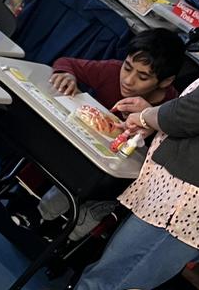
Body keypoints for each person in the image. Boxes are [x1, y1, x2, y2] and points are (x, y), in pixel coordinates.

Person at [0, 18, 199, 290]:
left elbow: (191, 114)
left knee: (110, 286)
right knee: (106, 279)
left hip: (184, 210)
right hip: (176, 203)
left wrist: (148, 116)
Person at [10, 29, 185, 237]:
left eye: (142, 77)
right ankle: (31, 204)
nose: (128, 80)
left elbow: (167, 152)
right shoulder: (111, 71)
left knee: (91, 185)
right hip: (77, 151)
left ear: (165, 81)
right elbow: (68, 63)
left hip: (114, 175)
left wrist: (150, 118)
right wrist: (65, 74)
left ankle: (53, 224)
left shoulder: (171, 109)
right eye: (127, 68)